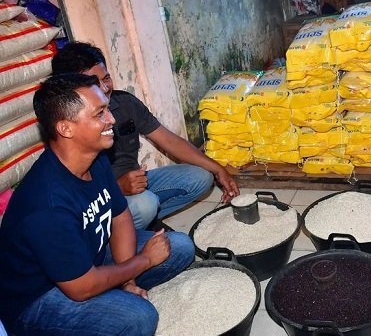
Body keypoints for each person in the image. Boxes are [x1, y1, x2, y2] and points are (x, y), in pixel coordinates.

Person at [0, 73, 195, 334]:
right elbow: (81, 287)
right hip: (40, 299)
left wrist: (129, 281)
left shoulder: (94, 157)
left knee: (180, 246)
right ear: (65, 128)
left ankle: (113, 291)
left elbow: (121, 217)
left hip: (89, 258)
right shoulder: (47, 204)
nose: (111, 119)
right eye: (99, 113)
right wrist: (144, 260)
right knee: (138, 317)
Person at [51, 43, 239, 230]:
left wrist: (218, 169)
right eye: (92, 82)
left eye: (106, 78)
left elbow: (168, 140)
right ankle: (117, 235)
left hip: (137, 185)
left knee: (200, 177)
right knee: (147, 207)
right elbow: (77, 196)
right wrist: (117, 188)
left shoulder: (125, 103)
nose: (104, 88)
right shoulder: (69, 127)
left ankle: (141, 222)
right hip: (100, 203)